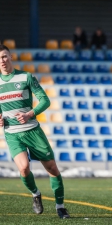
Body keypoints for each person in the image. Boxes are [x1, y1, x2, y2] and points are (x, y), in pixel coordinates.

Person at [0, 44, 70, 219]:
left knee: (52, 168)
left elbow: (45, 100)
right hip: (13, 133)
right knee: (24, 169)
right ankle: (35, 194)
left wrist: (30, 113)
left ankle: (60, 206)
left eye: (4, 56)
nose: (2, 61)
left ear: (11, 57)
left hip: (33, 131)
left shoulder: (26, 77)